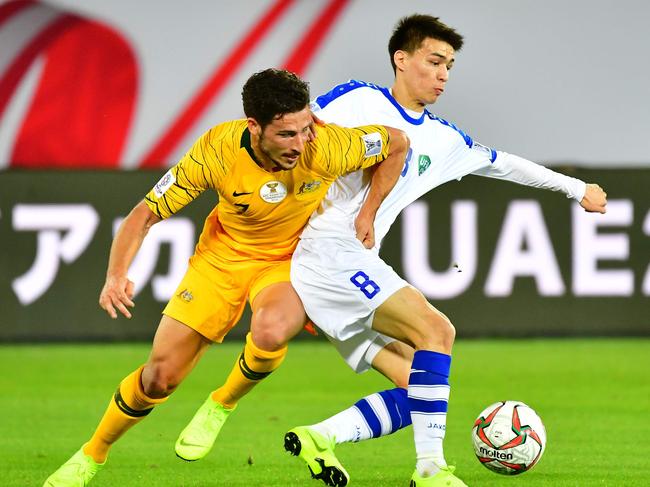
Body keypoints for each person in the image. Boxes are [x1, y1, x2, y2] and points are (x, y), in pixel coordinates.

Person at [176, 15, 607, 487]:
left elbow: (503, 164)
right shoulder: (354, 99)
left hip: (352, 263)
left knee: (419, 387)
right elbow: (284, 135)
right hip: (326, 251)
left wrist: (574, 187)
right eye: (434, 61)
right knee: (437, 331)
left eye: (450, 65)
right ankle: (430, 470)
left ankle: (320, 437)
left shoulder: (444, 139)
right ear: (402, 60)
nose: (443, 74)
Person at [43, 68, 409, 486]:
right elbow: (145, 214)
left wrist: (369, 213)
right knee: (159, 377)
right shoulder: (217, 150)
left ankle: (222, 402)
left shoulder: (327, 145)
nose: (301, 143)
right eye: (287, 134)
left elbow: (397, 143)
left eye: (306, 128)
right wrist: (116, 275)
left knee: (272, 331)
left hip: (288, 261)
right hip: (221, 260)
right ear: (254, 127)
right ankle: (93, 454)